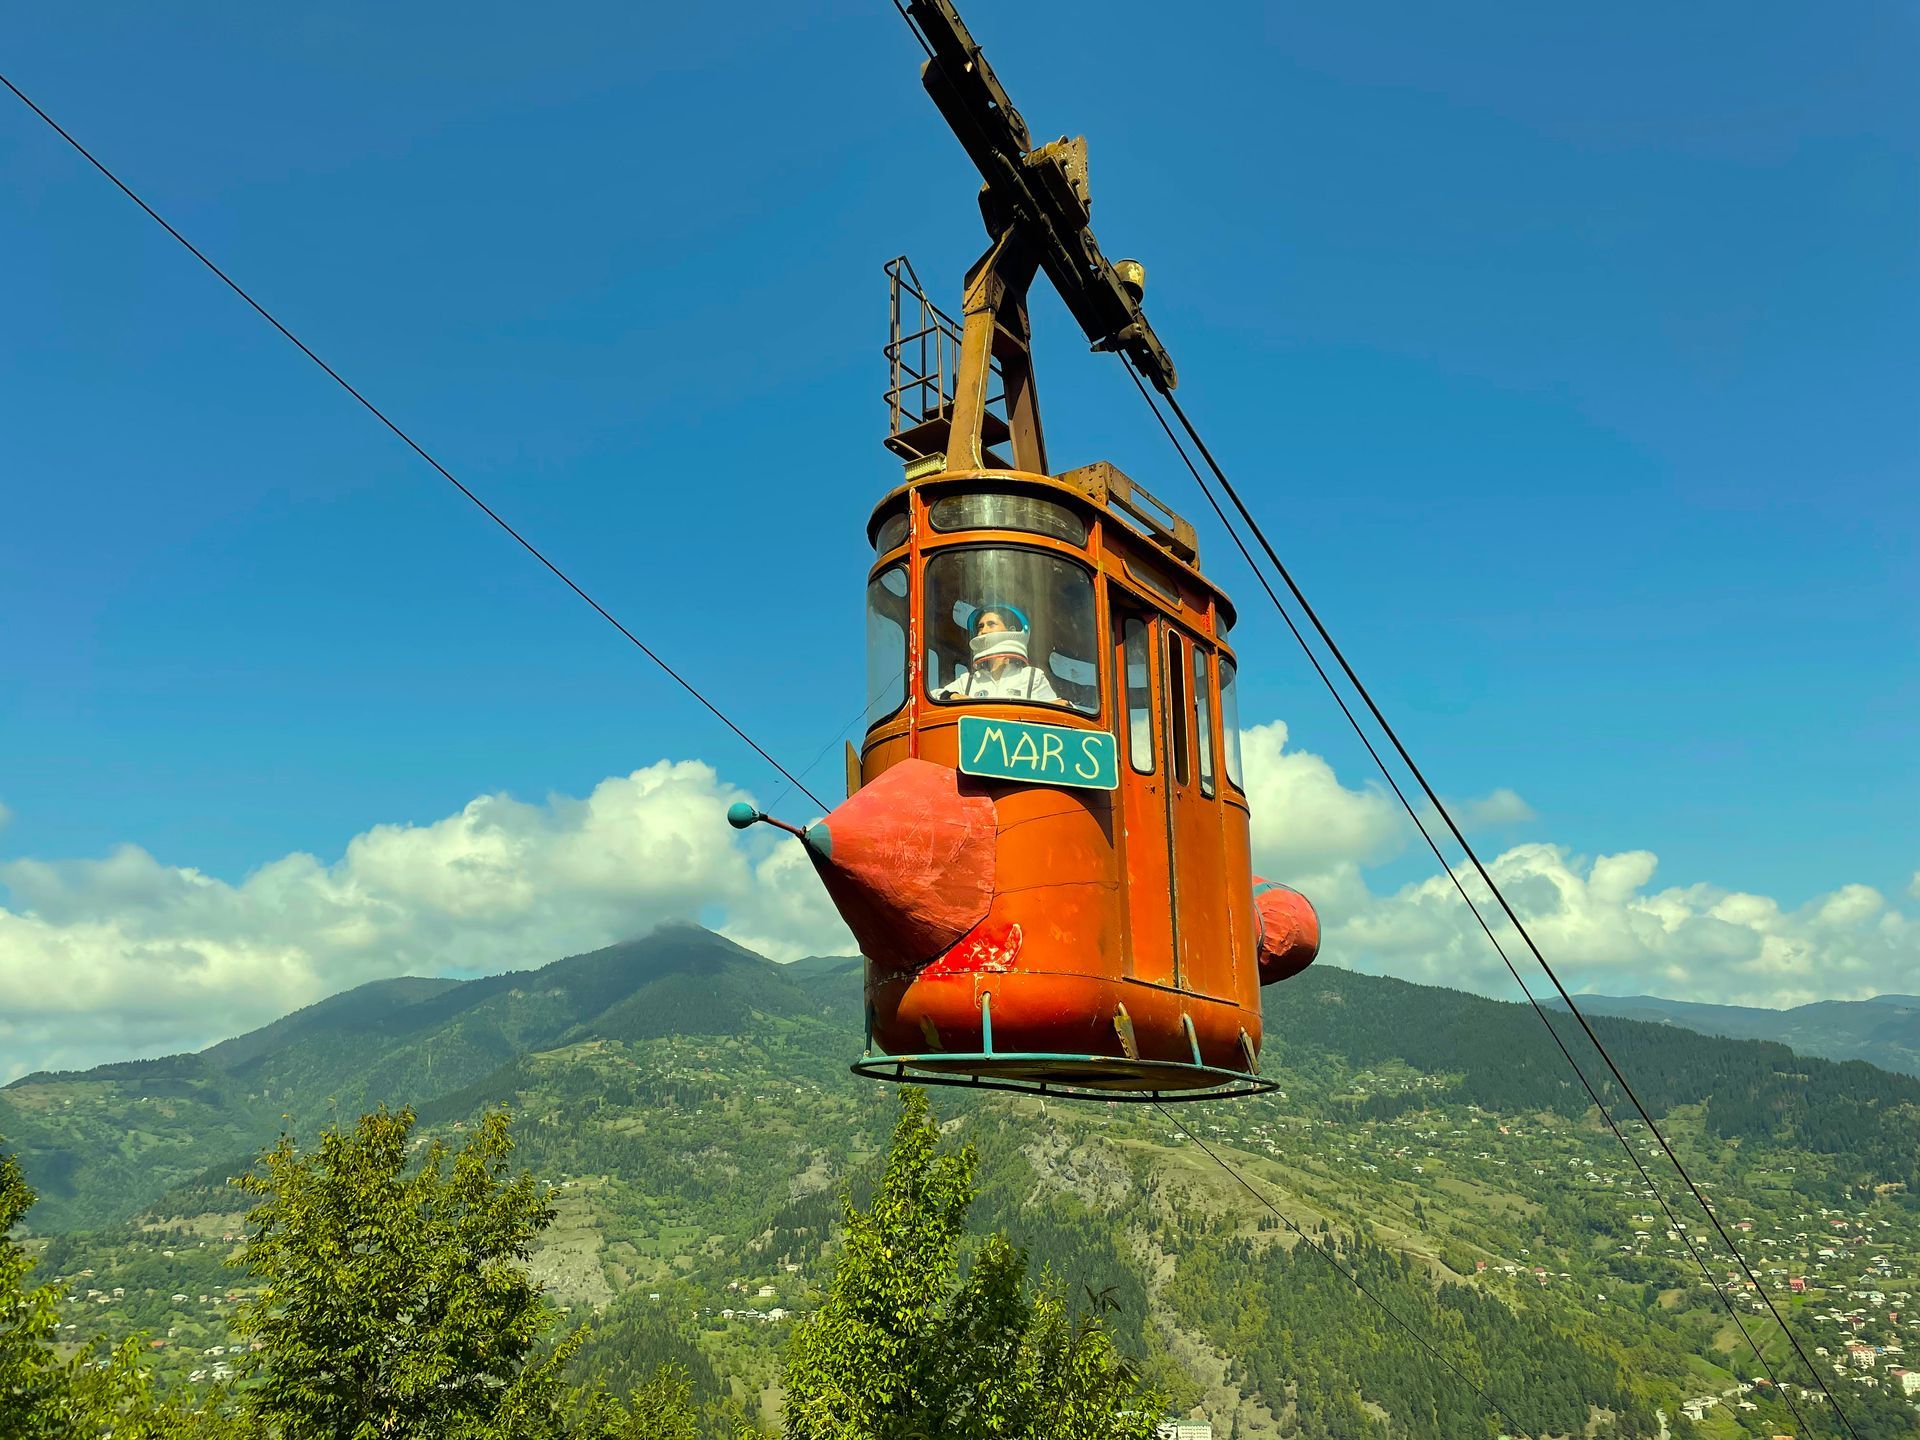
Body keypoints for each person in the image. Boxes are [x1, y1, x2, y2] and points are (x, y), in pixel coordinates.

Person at [937, 604, 1059, 703]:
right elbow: (934, 696)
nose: (983, 631)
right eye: (980, 627)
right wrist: (952, 695)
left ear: (1011, 631)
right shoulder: (969, 680)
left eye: (991, 624)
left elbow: (1055, 709)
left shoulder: (1032, 677)